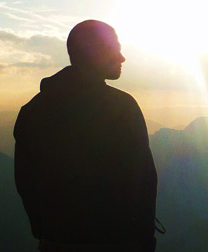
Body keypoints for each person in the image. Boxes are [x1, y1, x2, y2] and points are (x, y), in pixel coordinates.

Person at [14, 20, 158, 252]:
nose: (122, 58)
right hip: (117, 241)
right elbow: (143, 181)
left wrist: (44, 230)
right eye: (114, 49)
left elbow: (25, 182)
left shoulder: (32, 111)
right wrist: (145, 239)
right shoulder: (122, 107)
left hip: (55, 241)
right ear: (92, 52)